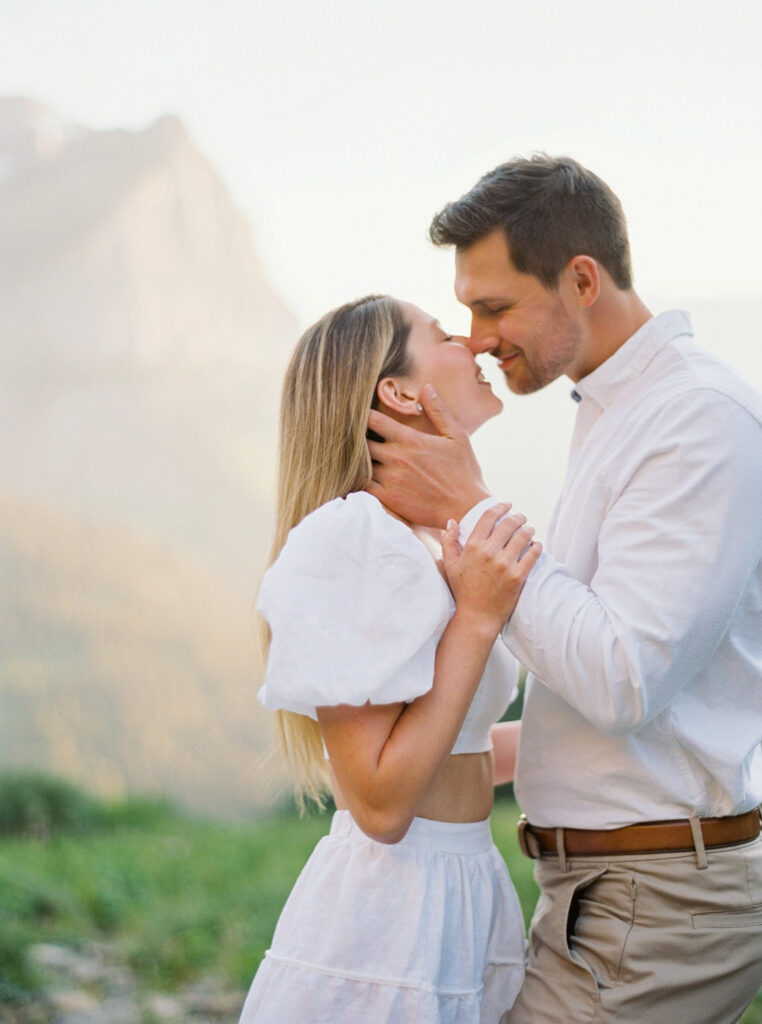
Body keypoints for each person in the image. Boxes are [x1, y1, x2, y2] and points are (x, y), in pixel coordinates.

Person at [367, 155, 762, 1024]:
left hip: (655, 909)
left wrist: (469, 510)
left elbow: (622, 679)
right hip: (610, 897)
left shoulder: (696, 420)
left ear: (581, 279)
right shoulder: (613, 410)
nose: (474, 337)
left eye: (494, 306)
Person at [239, 295, 542, 1023]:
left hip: (462, 891)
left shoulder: (426, 540)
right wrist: (474, 618)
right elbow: (377, 801)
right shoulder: (356, 540)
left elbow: (451, 747)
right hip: (391, 917)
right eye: (442, 334)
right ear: (397, 391)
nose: (470, 342)